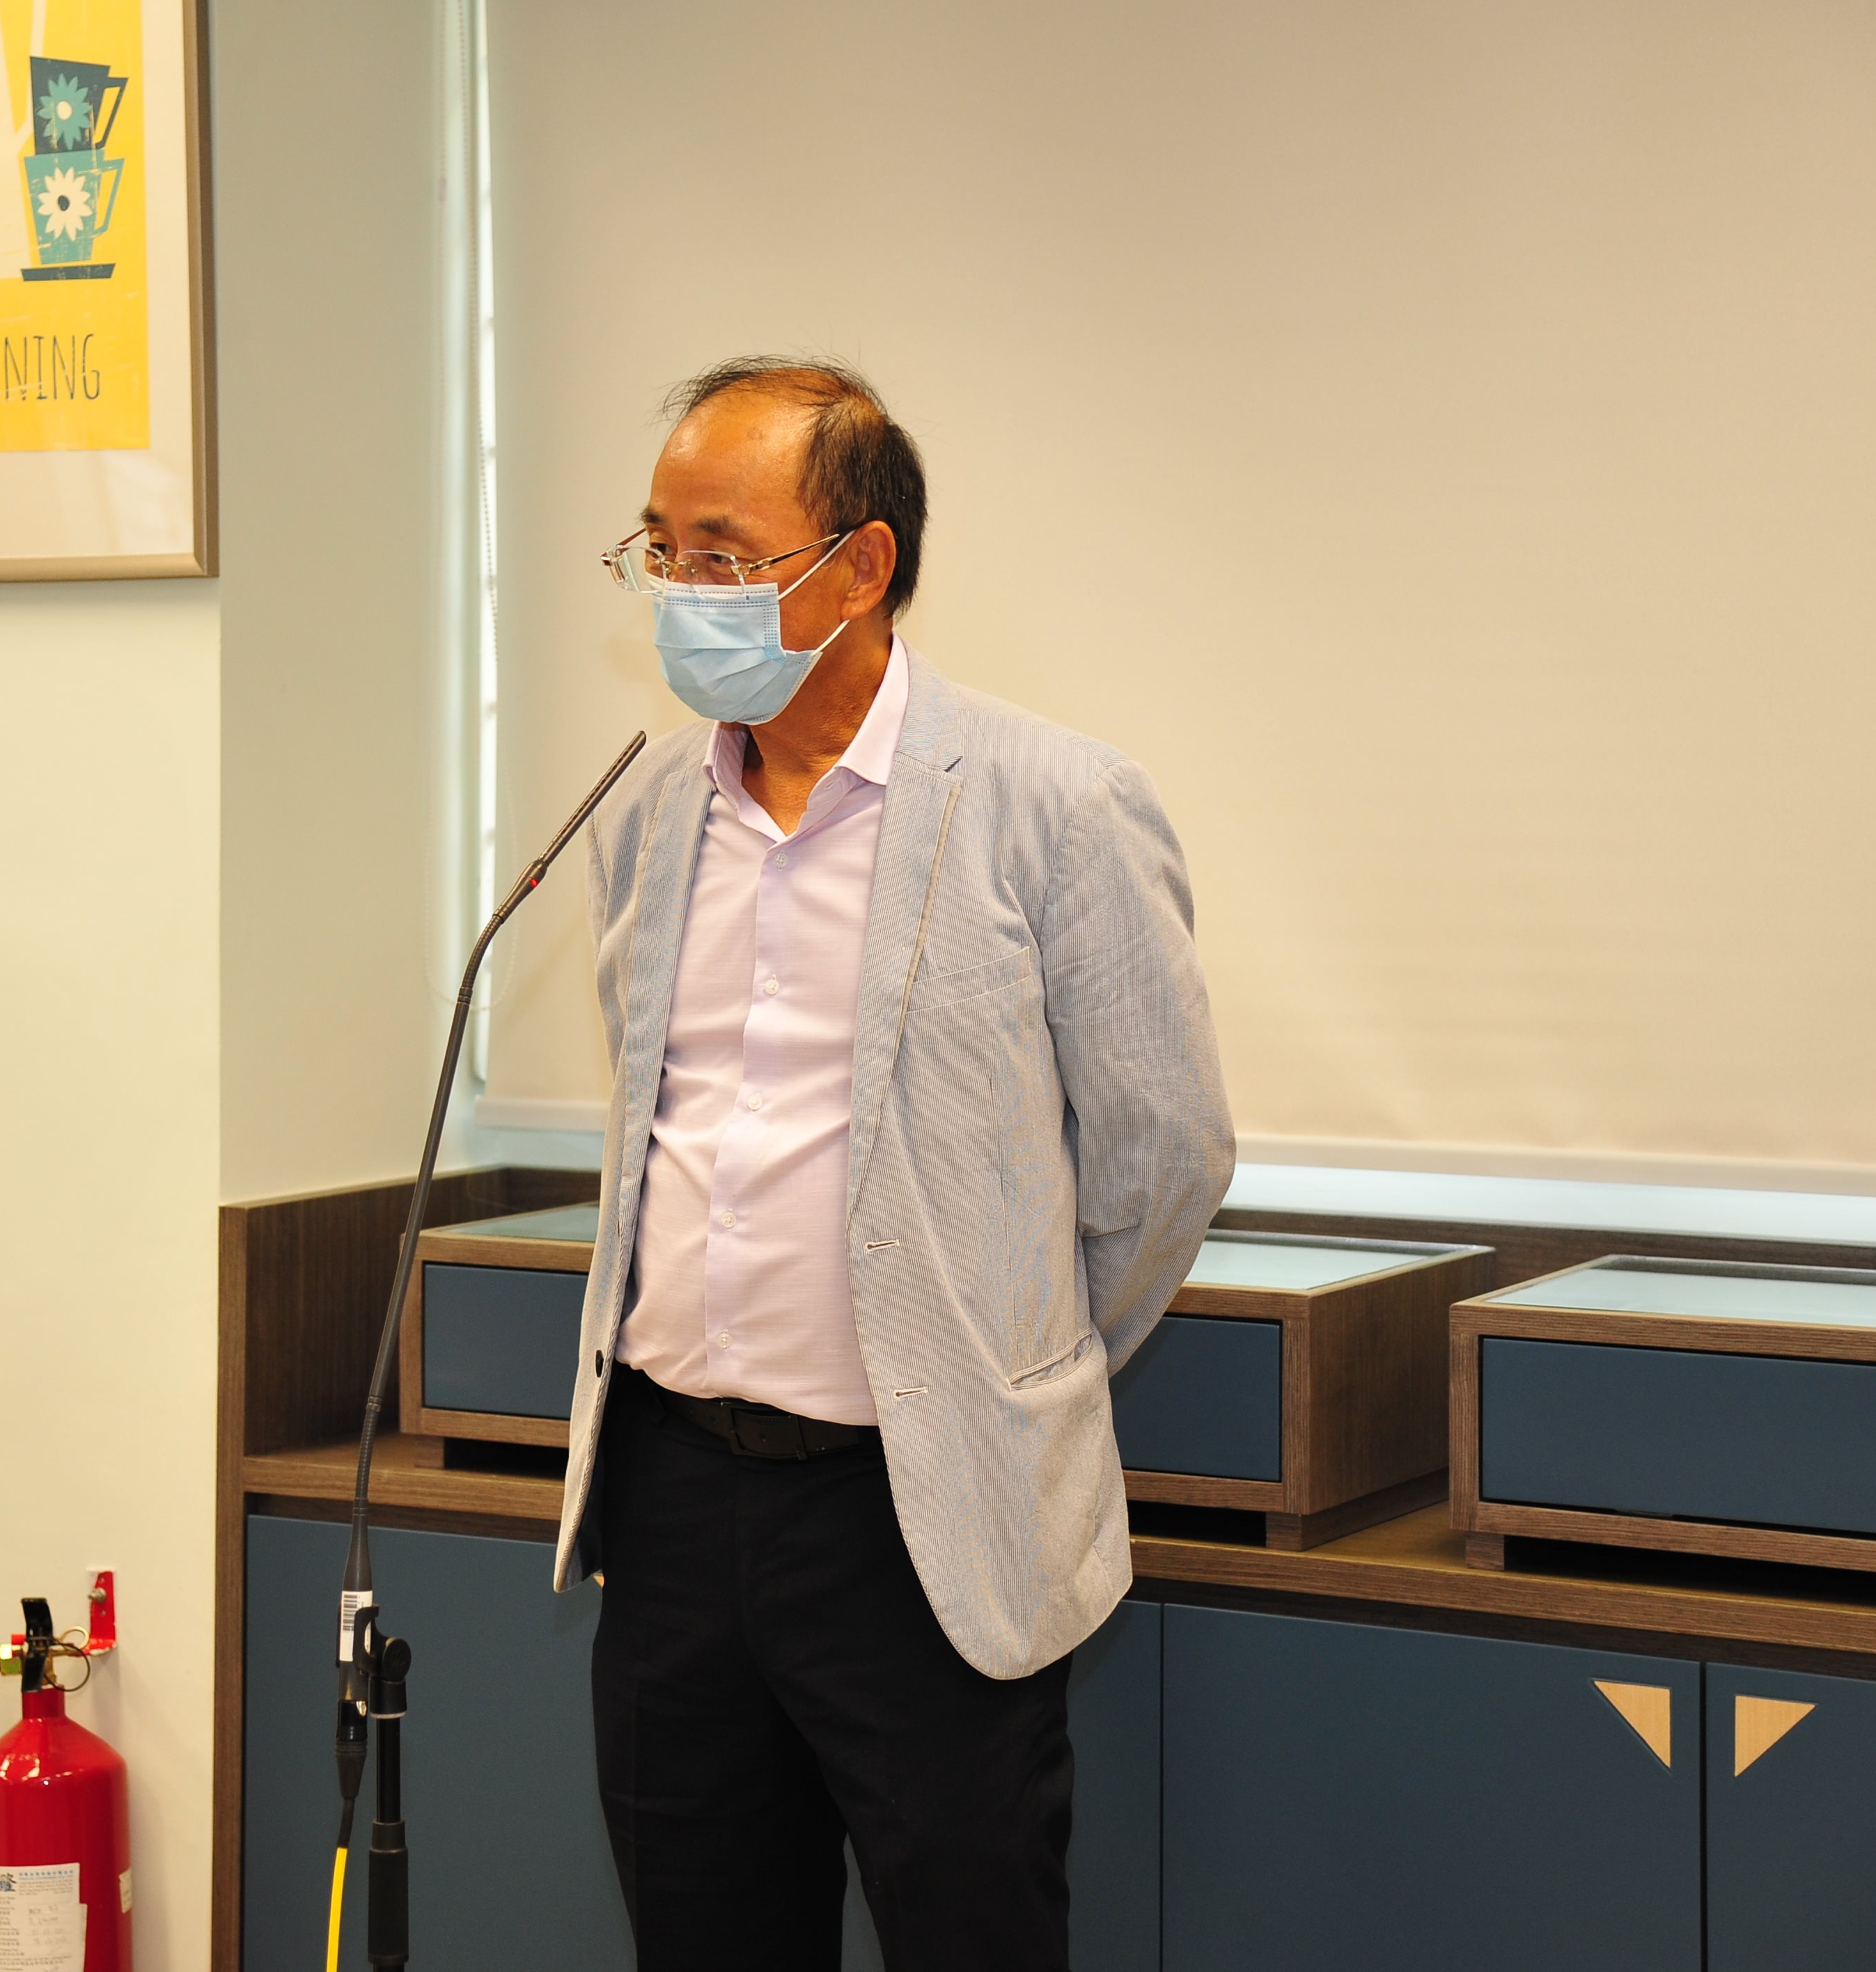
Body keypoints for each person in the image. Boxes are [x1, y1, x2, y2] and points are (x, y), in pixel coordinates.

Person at [552, 356, 1233, 1971]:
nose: (682, 590)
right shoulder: (645, 809)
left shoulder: (1054, 805)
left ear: (860, 566)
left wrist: (1000, 1359)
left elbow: (1163, 1157)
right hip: (672, 1500)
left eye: (725, 555)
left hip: (919, 1516)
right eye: (661, 549)